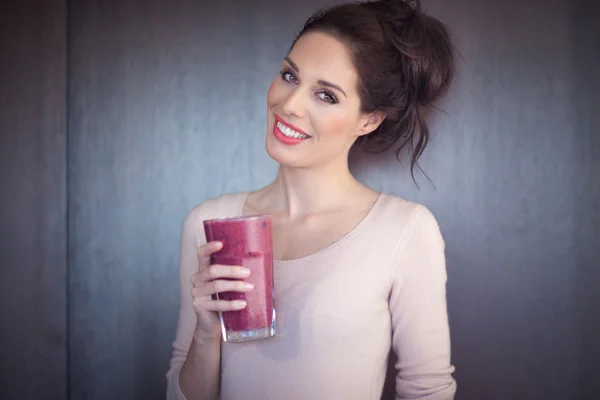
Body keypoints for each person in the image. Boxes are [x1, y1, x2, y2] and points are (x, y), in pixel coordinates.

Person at [166, 0, 456, 398]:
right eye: (290, 76)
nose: (289, 104)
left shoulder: (404, 231)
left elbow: (428, 390)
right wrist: (205, 334)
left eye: (326, 96)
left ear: (368, 120)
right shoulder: (209, 224)